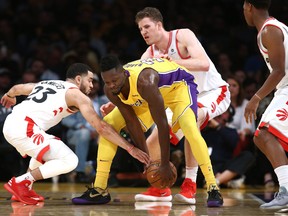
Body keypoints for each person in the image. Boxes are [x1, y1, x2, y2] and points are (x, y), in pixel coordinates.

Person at [72, 56, 223, 207]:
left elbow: (162, 124)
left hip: (179, 88)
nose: (111, 85)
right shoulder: (111, 89)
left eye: (115, 81)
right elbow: (131, 121)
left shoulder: (145, 81)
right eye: (107, 82)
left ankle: (212, 187)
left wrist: (164, 163)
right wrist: (146, 160)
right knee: (109, 124)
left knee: (190, 127)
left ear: (125, 74)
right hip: (150, 95)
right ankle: (100, 188)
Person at [1, 63, 149, 205]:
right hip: (25, 127)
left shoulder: (47, 83)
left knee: (46, 152)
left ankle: (24, 188)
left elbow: (18, 88)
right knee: (70, 161)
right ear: (79, 79)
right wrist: (130, 148)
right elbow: (102, 128)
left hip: (12, 123)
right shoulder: (78, 96)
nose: (92, 85)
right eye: (90, 80)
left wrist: (9, 95)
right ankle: (20, 182)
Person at [133, 7, 230, 204]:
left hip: (212, 92)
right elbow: (133, 84)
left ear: (159, 25)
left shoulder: (182, 36)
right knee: (152, 141)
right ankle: (161, 188)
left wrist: (174, 62)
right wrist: (114, 104)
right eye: (140, 29)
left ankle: (190, 185)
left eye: (147, 27)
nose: (143, 32)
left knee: (190, 121)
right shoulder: (149, 54)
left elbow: (203, 63)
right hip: (182, 99)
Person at [243, 0, 288, 209]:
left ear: (249, 6)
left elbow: (279, 71)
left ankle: (286, 190)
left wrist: (256, 98)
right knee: (263, 136)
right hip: (283, 89)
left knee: (264, 134)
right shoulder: (270, 28)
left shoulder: (269, 30)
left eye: (244, 8)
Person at [202, 106, 255, 189]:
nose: (222, 115)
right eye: (220, 112)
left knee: (248, 155)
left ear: (229, 118)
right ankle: (225, 181)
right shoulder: (203, 131)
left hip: (225, 167)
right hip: (208, 166)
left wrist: (218, 127)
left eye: (225, 113)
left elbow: (233, 142)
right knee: (198, 158)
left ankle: (216, 182)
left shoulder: (230, 131)